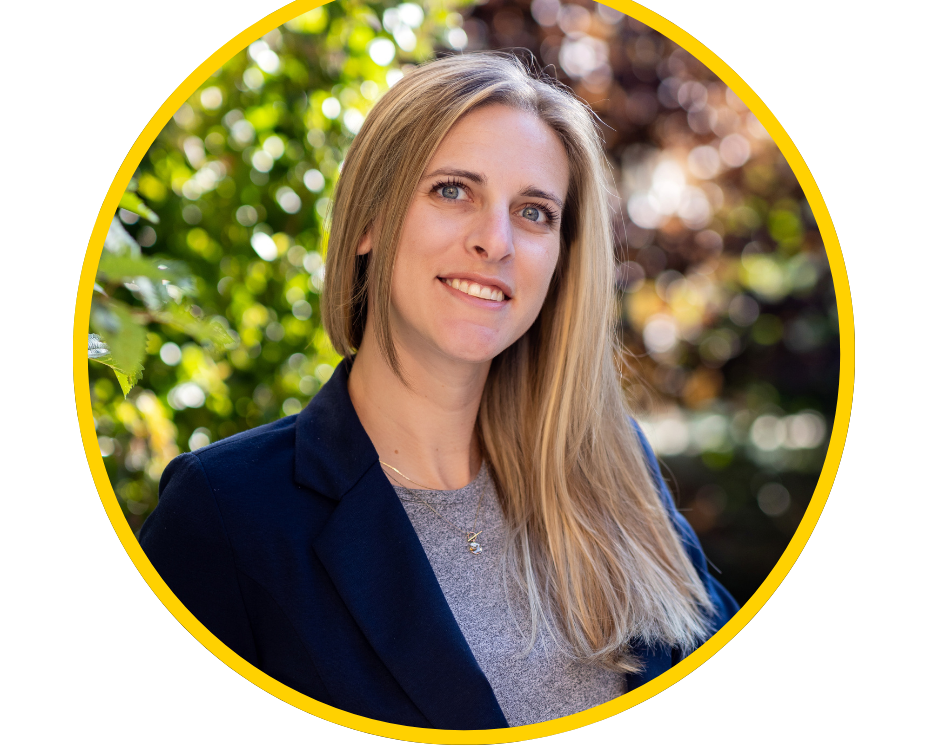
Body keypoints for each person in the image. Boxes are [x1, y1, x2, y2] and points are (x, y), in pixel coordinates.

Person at [139, 53, 738, 729]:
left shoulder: (607, 464)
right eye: (453, 191)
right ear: (368, 221)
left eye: (535, 212)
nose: (496, 240)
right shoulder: (227, 513)